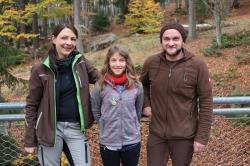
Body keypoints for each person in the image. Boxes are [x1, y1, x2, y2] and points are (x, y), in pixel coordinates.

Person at [24, 24, 99, 165]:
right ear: (54, 39)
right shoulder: (40, 69)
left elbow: (100, 80)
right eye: (64, 38)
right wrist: (30, 140)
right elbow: (31, 106)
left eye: (73, 39)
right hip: (49, 130)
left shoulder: (81, 62)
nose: (69, 43)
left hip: (75, 128)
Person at [140, 22, 213, 166]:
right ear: (161, 41)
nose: (171, 43)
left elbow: (206, 102)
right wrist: (146, 104)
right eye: (166, 39)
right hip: (157, 134)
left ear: (183, 40)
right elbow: (142, 85)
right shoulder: (151, 63)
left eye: (175, 39)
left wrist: (202, 137)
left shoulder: (197, 65)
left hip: (184, 135)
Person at [91, 45, 144, 166]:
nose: (117, 64)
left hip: (132, 141)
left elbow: (137, 111)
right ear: (108, 63)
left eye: (121, 60)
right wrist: (104, 124)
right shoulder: (100, 86)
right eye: (113, 60)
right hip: (108, 142)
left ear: (127, 62)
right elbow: (96, 110)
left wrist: (133, 125)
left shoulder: (137, 85)